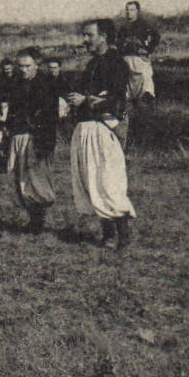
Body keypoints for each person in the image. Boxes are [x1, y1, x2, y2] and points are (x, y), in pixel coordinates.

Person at [67, 19, 137, 248]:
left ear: (104, 37)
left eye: (89, 35)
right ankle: (108, 234)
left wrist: (87, 100)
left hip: (103, 129)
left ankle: (122, 236)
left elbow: (114, 99)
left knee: (108, 180)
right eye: (84, 35)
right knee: (92, 181)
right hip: (86, 128)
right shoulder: (92, 65)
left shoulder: (117, 64)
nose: (85, 40)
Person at [4, 47, 60, 232]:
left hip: (37, 138)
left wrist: (44, 142)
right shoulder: (16, 84)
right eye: (20, 66)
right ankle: (33, 220)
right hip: (18, 136)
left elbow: (50, 117)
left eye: (27, 66)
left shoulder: (46, 85)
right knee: (21, 180)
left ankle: (39, 220)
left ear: (37, 65)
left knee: (37, 180)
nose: (23, 70)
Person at [119, 0, 161, 106]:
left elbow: (156, 36)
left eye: (132, 10)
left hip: (140, 58)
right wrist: (122, 49)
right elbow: (118, 42)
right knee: (127, 81)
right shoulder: (123, 27)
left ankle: (147, 97)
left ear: (137, 11)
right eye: (127, 10)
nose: (129, 12)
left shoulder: (143, 25)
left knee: (145, 76)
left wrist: (148, 49)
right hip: (126, 58)